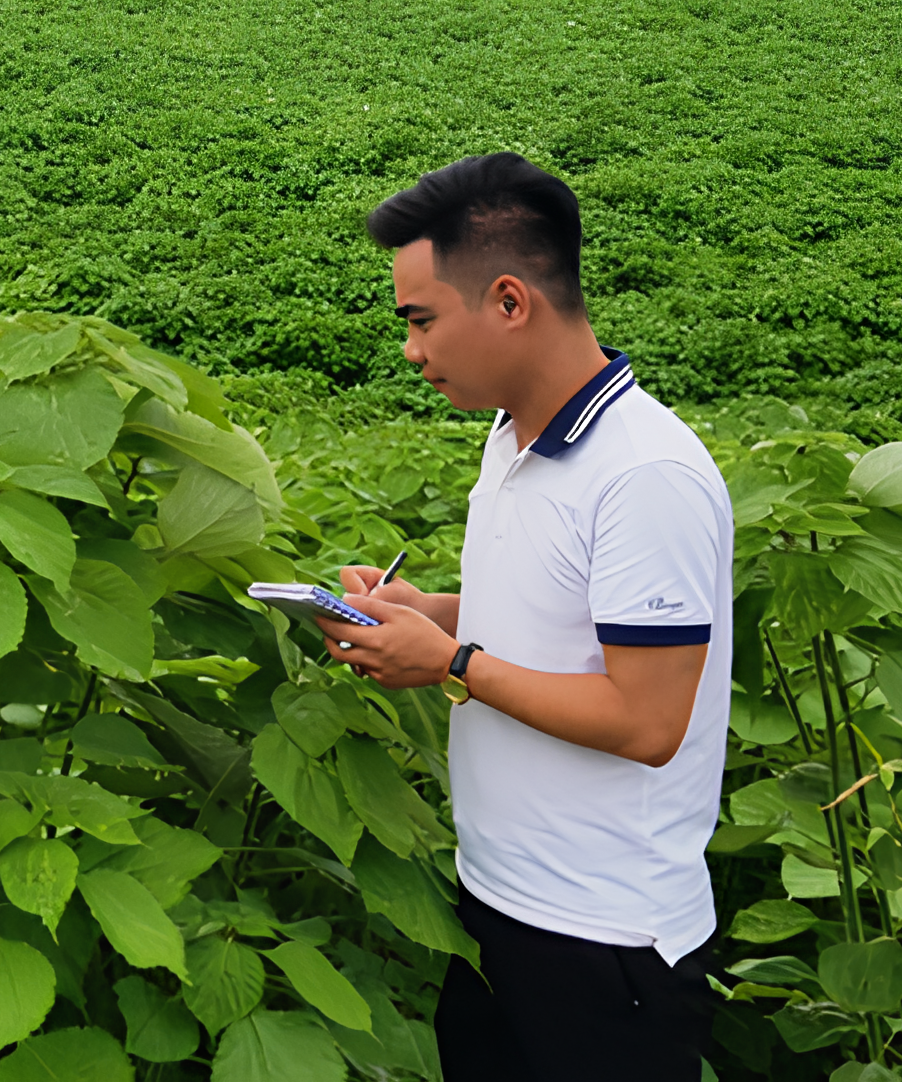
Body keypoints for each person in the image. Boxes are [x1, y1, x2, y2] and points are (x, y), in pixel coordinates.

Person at [314, 154, 733, 1082]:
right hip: (500, 905)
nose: (411, 350)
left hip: (605, 942)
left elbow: (648, 719)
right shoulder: (513, 436)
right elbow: (559, 614)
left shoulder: (643, 475)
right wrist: (424, 612)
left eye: (421, 320)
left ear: (509, 301)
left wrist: (451, 661)